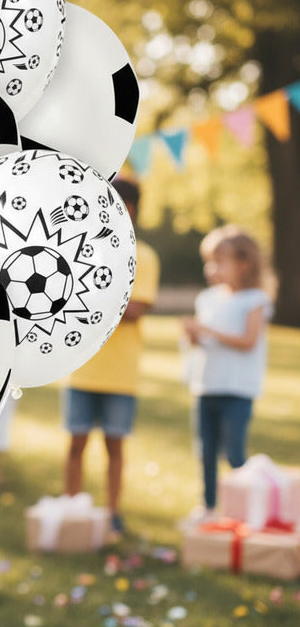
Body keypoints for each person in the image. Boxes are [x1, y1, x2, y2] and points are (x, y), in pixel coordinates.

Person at [62, 175, 160, 537]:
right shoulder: (85, 248)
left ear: (129, 209)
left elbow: (137, 309)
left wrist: (94, 302)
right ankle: (71, 509)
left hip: (120, 374)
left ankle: (113, 513)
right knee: (75, 443)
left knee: (114, 446)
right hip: (83, 371)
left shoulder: (144, 256)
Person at [181, 225, 274, 520]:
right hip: (207, 386)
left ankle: (243, 510)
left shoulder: (255, 300)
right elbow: (202, 343)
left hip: (237, 390)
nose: (212, 268)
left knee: (234, 452)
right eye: (210, 261)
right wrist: (193, 334)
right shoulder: (206, 299)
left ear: (244, 264)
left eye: (220, 261)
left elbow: (248, 341)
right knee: (205, 452)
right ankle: (208, 507)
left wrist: (207, 330)